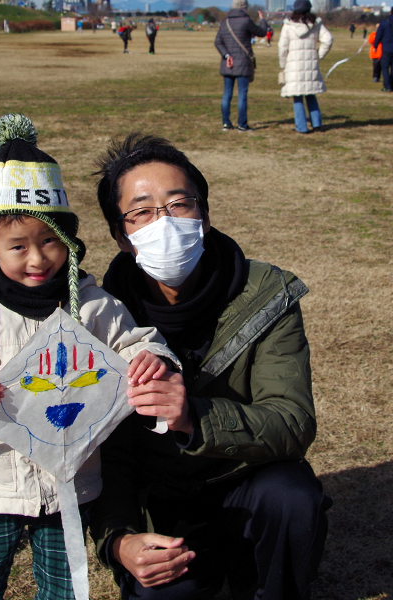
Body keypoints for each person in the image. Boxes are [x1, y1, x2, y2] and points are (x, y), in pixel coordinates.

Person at [0, 115, 178, 600]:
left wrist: (152, 357)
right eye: (18, 246)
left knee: (64, 585)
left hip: (69, 480)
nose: (37, 258)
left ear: (68, 238)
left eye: (50, 240)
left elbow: (138, 341)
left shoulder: (92, 304)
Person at [89, 132, 330, 600]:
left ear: (203, 213)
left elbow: (292, 422)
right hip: (158, 503)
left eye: (180, 203)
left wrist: (192, 417)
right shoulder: (98, 314)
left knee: (291, 497)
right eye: (141, 212)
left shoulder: (265, 293)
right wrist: (117, 541)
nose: (164, 222)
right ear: (121, 237)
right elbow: (102, 453)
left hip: (246, 477)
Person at [278, 0, 333, 134]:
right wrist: (319, 54)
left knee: (297, 96)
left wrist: (283, 64)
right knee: (310, 93)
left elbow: (282, 47)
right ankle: (317, 124)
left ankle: (301, 126)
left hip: (293, 64)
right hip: (310, 63)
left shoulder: (288, 25)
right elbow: (328, 39)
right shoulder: (316, 24)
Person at [214, 0, 268, 132]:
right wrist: (262, 20)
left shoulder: (225, 22)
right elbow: (262, 32)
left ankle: (226, 123)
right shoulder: (246, 20)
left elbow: (218, 42)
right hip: (243, 62)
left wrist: (226, 55)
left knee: (227, 94)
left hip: (228, 64)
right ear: (245, 7)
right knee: (242, 95)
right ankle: (242, 124)